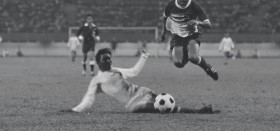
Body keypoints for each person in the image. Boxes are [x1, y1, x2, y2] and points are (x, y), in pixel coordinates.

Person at [61, 48, 215, 114]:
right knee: (164, 109)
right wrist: (74, 110)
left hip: (143, 92)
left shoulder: (116, 70)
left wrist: (144, 56)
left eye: (109, 58)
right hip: (135, 104)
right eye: (106, 60)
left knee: (167, 103)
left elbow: (133, 72)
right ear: (99, 62)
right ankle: (199, 111)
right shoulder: (97, 81)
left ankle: (199, 110)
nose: (109, 61)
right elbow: (88, 100)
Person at [158, 0, 218, 81]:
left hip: (192, 36)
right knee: (178, 64)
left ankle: (207, 68)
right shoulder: (170, 5)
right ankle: (186, 53)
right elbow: (164, 17)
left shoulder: (194, 6)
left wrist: (198, 22)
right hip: (177, 38)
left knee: (193, 57)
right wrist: (163, 32)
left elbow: (208, 24)